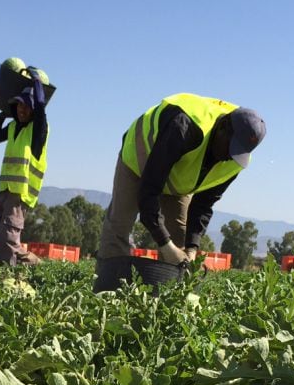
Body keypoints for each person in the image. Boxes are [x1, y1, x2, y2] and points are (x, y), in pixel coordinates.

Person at [97, 94, 265, 266]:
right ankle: (108, 286)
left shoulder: (236, 160)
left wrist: (192, 248)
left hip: (177, 179)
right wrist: (165, 244)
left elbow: (204, 204)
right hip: (139, 158)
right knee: (119, 226)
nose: (230, 156)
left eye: (237, 152)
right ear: (222, 127)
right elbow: (148, 191)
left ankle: (165, 290)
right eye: (230, 147)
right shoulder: (186, 126)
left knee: (178, 239)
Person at [0, 70, 48, 266]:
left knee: (7, 239)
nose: (22, 109)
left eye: (27, 106)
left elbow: (41, 110)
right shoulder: (13, 127)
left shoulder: (38, 131)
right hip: (5, 190)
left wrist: (36, 82)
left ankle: (3, 277)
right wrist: (2, 114)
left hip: (21, 195)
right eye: (20, 104)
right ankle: (32, 262)